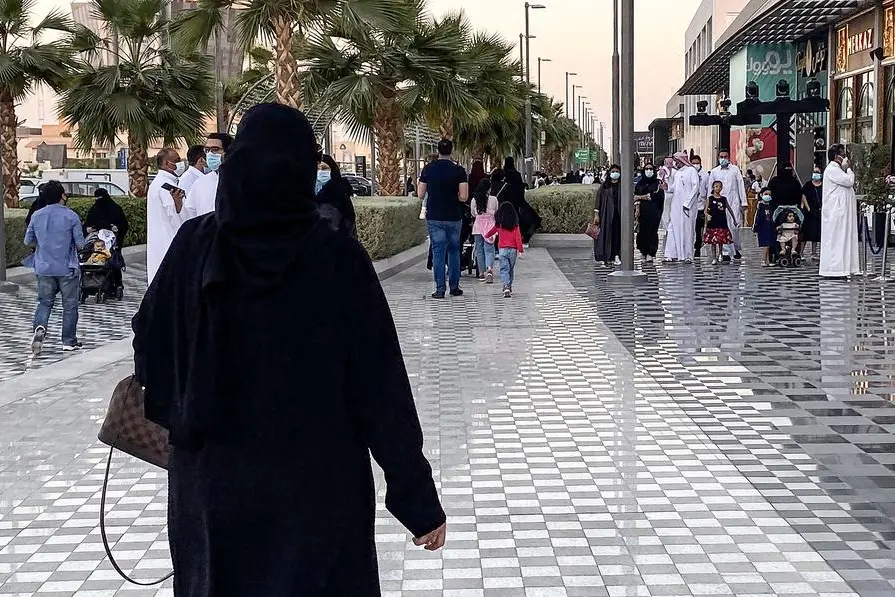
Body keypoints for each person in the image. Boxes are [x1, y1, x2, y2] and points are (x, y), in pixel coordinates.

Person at [132, 104, 446, 597]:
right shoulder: (334, 255)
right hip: (317, 485)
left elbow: (150, 342)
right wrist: (416, 497)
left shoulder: (195, 246)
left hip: (214, 485)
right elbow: (379, 383)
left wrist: (187, 407)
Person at [23, 180, 84, 355]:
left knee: (44, 303)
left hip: (43, 266)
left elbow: (28, 241)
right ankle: (68, 341)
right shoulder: (71, 216)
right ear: (61, 196)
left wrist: (42, 245)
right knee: (70, 306)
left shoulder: (36, 215)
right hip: (67, 267)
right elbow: (80, 243)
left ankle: (40, 328)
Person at [418, 138, 468, 298]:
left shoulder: (428, 169)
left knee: (438, 252)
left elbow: (420, 194)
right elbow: (464, 197)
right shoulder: (459, 171)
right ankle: (454, 287)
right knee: (454, 251)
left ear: (438, 150)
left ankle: (440, 289)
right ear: (451, 151)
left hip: (435, 216)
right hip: (454, 216)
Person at [146, 148, 187, 284]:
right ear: (167, 164)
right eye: (177, 160)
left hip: (160, 243)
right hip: (169, 242)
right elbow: (174, 217)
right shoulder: (166, 187)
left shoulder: (157, 183)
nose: (180, 163)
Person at [820, 144, 860, 278]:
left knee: (844, 237)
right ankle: (835, 268)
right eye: (842, 154)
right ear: (837, 157)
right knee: (837, 239)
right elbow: (849, 181)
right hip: (835, 212)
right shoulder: (832, 170)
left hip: (842, 211)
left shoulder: (837, 170)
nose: (845, 157)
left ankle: (846, 267)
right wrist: (848, 169)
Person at [707, 149, 747, 261]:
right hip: (718, 203)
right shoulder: (714, 172)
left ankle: (735, 248)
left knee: (734, 227)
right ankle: (725, 252)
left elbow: (740, 185)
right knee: (722, 226)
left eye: (725, 156)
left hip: (733, 201)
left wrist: (743, 202)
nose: (723, 158)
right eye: (721, 156)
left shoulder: (735, 170)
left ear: (729, 157)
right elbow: (710, 187)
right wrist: (709, 203)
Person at [183, 132, 234, 220]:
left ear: (228, 152)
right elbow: (190, 213)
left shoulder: (240, 181)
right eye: (207, 150)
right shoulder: (200, 183)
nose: (210, 154)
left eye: (215, 149)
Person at [663, 152, 700, 263]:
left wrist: (687, 204)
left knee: (687, 230)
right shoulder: (678, 173)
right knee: (672, 228)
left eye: (677, 161)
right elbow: (674, 188)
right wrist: (666, 187)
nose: (676, 163)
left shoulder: (692, 171)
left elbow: (695, 188)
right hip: (676, 206)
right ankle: (671, 254)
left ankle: (688, 255)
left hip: (687, 207)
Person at [486, 202, 524, 298]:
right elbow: (518, 238)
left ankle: (505, 285)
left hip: (502, 250)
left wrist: (487, 236)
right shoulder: (515, 226)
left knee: (504, 269)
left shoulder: (499, 225)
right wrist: (520, 250)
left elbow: (492, 231)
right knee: (510, 269)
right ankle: (509, 286)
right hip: (513, 250)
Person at [316, 154, 357, 238]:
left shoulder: (339, 195)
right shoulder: (307, 193)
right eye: (317, 169)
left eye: (324, 168)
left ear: (332, 168)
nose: (320, 172)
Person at [502, 157, 541, 244]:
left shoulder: (503, 175)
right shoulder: (517, 174)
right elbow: (519, 189)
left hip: (505, 202)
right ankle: (521, 237)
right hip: (517, 202)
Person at [593, 164, 622, 266]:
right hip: (606, 215)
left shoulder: (622, 186)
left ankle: (616, 255)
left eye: (617, 172)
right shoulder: (604, 186)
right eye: (613, 171)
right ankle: (605, 257)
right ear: (610, 173)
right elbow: (598, 201)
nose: (615, 174)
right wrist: (596, 214)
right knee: (605, 234)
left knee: (617, 235)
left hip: (618, 215)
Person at [634, 164, 664, 262]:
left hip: (654, 210)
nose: (649, 171)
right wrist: (637, 208)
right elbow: (635, 196)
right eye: (646, 169)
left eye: (651, 169)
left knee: (652, 231)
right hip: (642, 211)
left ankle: (651, 253)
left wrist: (640, 197)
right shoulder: (640, 183)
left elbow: (656, 195)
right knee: (642, 231)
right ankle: (643, 251)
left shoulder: (657, 183)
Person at [470, 178, 498, 283]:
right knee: (489, 249)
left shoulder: (474, 200)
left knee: (479, 250)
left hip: (478, 227)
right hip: (490, 226)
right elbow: (496, 211)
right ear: (489, 189)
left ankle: (481, 273)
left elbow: (473, 213)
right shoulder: (494, 199)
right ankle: (489, 269)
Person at [702, 180, 734, 265]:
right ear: (713, 187)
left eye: (720, 186)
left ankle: (720, 253)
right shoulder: (710, 198)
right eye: (716, 186)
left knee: (720, 240)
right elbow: (705, 211)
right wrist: (707, 215)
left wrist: (734, 219)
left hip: (722, 222)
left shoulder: (723, 199)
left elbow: (729, 209)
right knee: (713, 241)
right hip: (712, 222)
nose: (718, 188)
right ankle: (713, 257)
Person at [800, 164, 823, 259]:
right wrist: (808, 208)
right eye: (814, 172)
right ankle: (801, 252)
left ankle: (814, 253)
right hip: (809, 212)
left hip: (819, 211)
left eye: (818, 172)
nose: (816, 174)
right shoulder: (808, 185)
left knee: (816, 233)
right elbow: (803, 195)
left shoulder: (823, 185)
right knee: (805, 233)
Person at [752, 188, 775, 267]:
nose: (768, 196)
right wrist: (755, 228)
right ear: (761, 195)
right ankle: (763, 260)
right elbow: (756, 218)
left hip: (769, 227)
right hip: (763, 228)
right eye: (766, 194)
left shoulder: (769, 206)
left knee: (769, 244)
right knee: (766, 244)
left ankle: (768, 260)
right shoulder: (760, 206)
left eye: (769, 194)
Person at [693, 155, 709, 258]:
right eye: (693, 163)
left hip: (701, 205)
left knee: (699, 228)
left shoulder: (705, 175)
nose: (695, 165)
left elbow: (707, 191)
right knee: (693, 228)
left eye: (697, 163)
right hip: (691, 205)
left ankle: (698, 247)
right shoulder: (689, 174)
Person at [658, 157, 676, 230]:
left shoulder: (675, 172)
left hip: (672, 194)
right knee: (665, 212)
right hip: (665, 194)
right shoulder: (662, 171)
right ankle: (667, 227)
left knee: (670, 212)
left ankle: (669, 227)